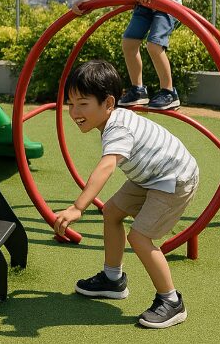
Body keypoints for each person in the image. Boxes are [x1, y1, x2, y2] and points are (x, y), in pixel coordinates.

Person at [54, 60, 199, 329]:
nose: (74, 112)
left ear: (109, 103)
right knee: (111, 212)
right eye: (70, 104)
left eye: (82, 103)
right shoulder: (113, 120)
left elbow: (107, 166)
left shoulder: (118, 128)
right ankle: (113, 279)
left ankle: (171, 301)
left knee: (139, 237)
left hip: (174, 179)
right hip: (150, 176)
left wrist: (77, 207)